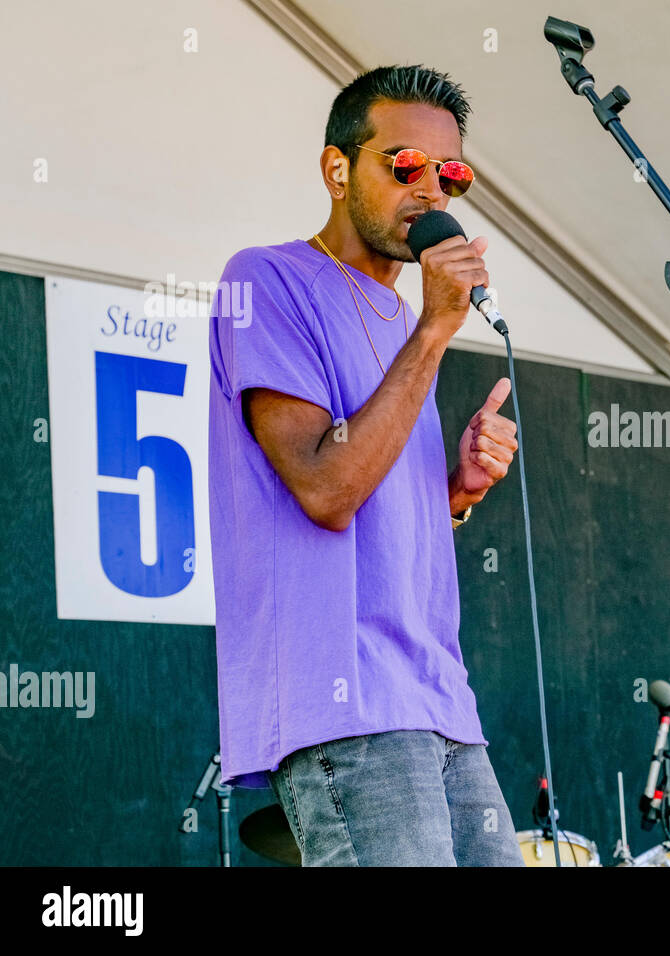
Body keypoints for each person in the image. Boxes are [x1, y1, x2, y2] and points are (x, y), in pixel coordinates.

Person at [208, 65, 524, 866]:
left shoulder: (405, 317)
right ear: (337, 169)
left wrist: (455, 490)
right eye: (404, 165)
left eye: (450, 174)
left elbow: (379, 500)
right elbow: (325, 487)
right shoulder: (265, 279)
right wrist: (434, 331)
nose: (431, 191)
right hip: (346, 700)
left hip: (441, 697)